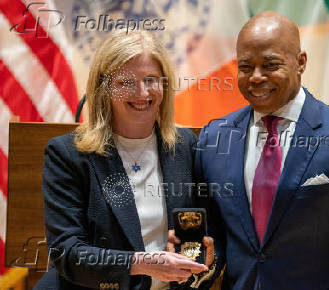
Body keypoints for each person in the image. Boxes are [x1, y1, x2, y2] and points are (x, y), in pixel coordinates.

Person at [192, 11, 329, 290]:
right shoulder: (213, 139)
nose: (256, 77)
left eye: (270, 64)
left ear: (301, 62)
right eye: (245, 67)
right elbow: (214, 238)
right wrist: (198, 258)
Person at [35, 30, 213, 290]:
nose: (142, 93)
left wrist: (206, 256)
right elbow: (66, 253)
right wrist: (142, 263)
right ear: (104, 88)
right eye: (126, 82)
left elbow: (208, 233)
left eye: (151, 79)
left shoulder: (185, 145)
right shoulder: (68, 154)